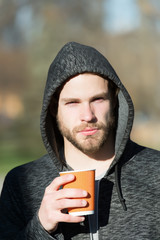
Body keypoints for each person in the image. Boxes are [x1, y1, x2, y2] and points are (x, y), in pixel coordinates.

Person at [0, 42, 160, 240]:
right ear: (53, 108)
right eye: (72, 103)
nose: (87, 115)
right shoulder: (20, 183)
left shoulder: (156, 171)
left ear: (114, 101)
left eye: (98, 99)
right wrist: (39, 228)